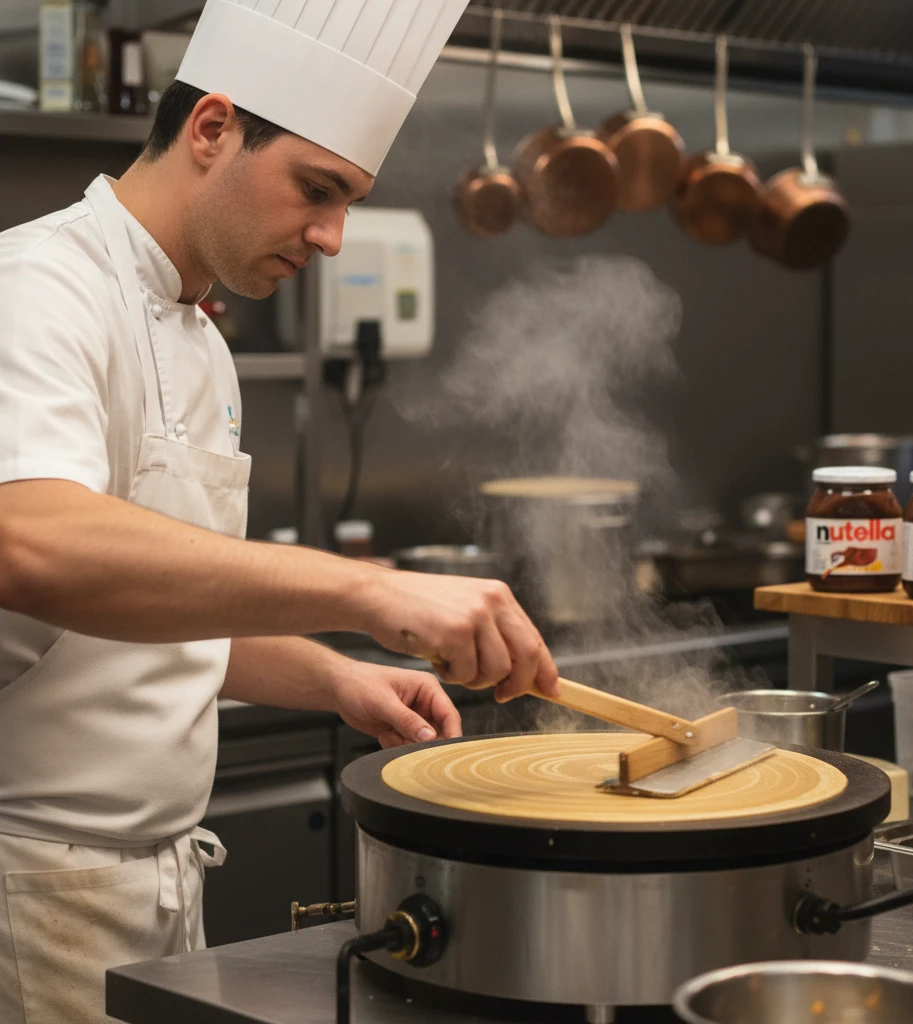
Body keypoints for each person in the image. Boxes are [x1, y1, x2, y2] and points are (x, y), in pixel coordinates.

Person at [0, 2, 559, 1020]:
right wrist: (372, 592)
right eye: (317, 188)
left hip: (159, 878)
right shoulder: (38, 287)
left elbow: (162, 608)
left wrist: (338, 677)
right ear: (212, 128)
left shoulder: (205, 344)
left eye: (349, 201)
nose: (333, 237)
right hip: (26, 885)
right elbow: (33, 545)